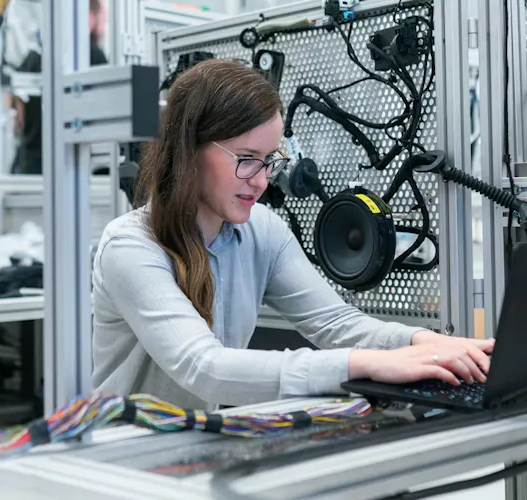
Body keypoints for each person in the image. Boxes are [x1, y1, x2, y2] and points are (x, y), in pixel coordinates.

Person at [90, 59, 494, 410]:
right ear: (188, 150)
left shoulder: (262, 231)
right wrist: (363, 364)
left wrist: (426, 343)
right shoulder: (131, 247)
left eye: (269, 161)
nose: (262, 181)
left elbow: (336, 323)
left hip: (196, 444)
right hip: (128, 455)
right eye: (247, 160)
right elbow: (204, 368)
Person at [9, 0, 109, 175]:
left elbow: (17, 115)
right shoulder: (91, 54)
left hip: (30, 167)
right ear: (89, 17)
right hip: (73, 166)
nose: (102, 27)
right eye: (102, 19)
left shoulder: (34, 56)